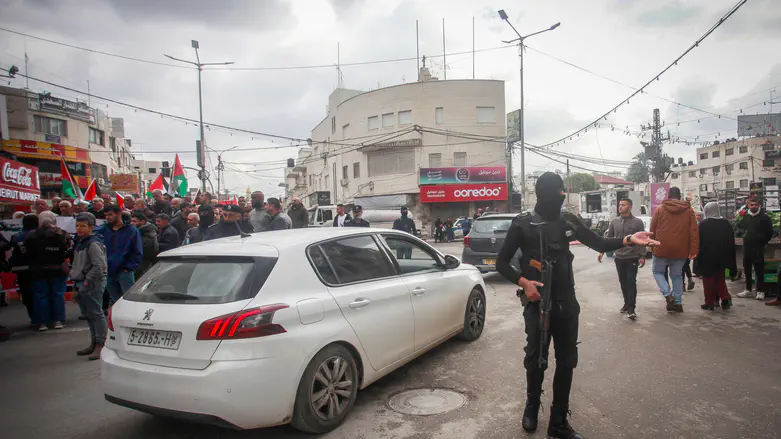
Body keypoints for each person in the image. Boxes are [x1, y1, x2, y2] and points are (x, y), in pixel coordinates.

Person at [496, 172, 658, 439]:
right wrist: (524, 282)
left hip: (566, 303)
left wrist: (629, 240)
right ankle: (532, 406)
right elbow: (502, 262)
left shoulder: (568, 221)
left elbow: (599, 242)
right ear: (546, 193)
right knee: (536, 359)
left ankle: (558, 421)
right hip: (537, 303)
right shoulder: (522, 224)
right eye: (558, 191)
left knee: (567, 360)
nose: (561, 196)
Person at [650, 186, 698, 313]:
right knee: (677, 276)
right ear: (680, 196)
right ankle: (678, 303)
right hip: (681, 250)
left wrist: (652, 245)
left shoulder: (660, 209)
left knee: (657, 272)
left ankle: (668, 295)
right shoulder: (689, 211)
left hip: (661, 248)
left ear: (668, 196)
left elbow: (652, 229)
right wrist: (693, 250)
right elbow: (694, 232)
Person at [598, 198, 646, 319]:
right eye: (619, 205)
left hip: (632, 257)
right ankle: (626, 303)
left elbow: (642, 240)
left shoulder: (637, 222)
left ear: (629, 207)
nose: (620, 207)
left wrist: (642, 256)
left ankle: (631, 309)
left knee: (631, 282)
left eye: (623, 205)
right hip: (619, 257)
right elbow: (608, 239)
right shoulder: (614, 222)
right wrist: (602, 252)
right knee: (623, 283)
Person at [25, 211, 72, 331]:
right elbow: (69, 248)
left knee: (41, 296)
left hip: (39, 270)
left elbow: (28, 252)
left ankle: (42, 322)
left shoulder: (33, 234)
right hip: (58, 269)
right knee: (58, 295)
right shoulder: (61, 233)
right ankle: (58, 320)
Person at [70, 213, 108, 360]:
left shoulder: (93, 243)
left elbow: (99, 266)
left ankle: (101, 343)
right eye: (77, 226)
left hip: (93, 283)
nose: (79, 229)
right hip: (82, 281)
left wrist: (87, 281)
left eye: (83, 226)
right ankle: (94, 341)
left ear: (91, 227)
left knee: (96, 313)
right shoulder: (81, 242)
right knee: (89, 315)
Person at [693, 202, 737, 311]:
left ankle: (709, 303)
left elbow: (699, 242)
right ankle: (725, 297)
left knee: (708, 280)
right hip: (722, 257)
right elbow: (731, 241)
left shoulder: (703, 224)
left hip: (707, 258)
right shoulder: (726, 224)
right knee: (720, 279)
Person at [96, 205, 143, 304]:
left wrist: (129, 267)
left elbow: (137, 251)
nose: (108, 217)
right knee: (115, 300)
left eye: (110, 215)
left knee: (130, 299)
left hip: (124, 270)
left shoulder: (131, 231)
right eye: (106, 215)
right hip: (108, 270)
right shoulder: (103, 229)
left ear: (119, 214)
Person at [736, 196, 773, 301]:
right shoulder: (745, 216)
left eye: (756, 205)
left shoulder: (764, 217)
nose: (754, 207)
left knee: (759, 269)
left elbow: (770, 232)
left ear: (759, 205)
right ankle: (748, 290)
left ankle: (761, 291)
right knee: (747, 268)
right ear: (748, 205)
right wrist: (743, 234)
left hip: (758, 247)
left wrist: (761, 239)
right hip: (747, 246)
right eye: (752, 205)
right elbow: (739, 227)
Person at [9, 214, 39, 324]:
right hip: (38, 268)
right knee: (40, 293)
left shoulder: (16, 236)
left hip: (21, 269)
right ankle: (42, 317)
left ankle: (33, 318)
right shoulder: (39, 234)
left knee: (27, 294)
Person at [130, 211, 159, 279]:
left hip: (142, 267)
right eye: (131, 221)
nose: (131, 223)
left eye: (134, 221)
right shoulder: (136, 232)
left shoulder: (149, 235)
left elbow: (146, 252)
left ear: (142, 222)